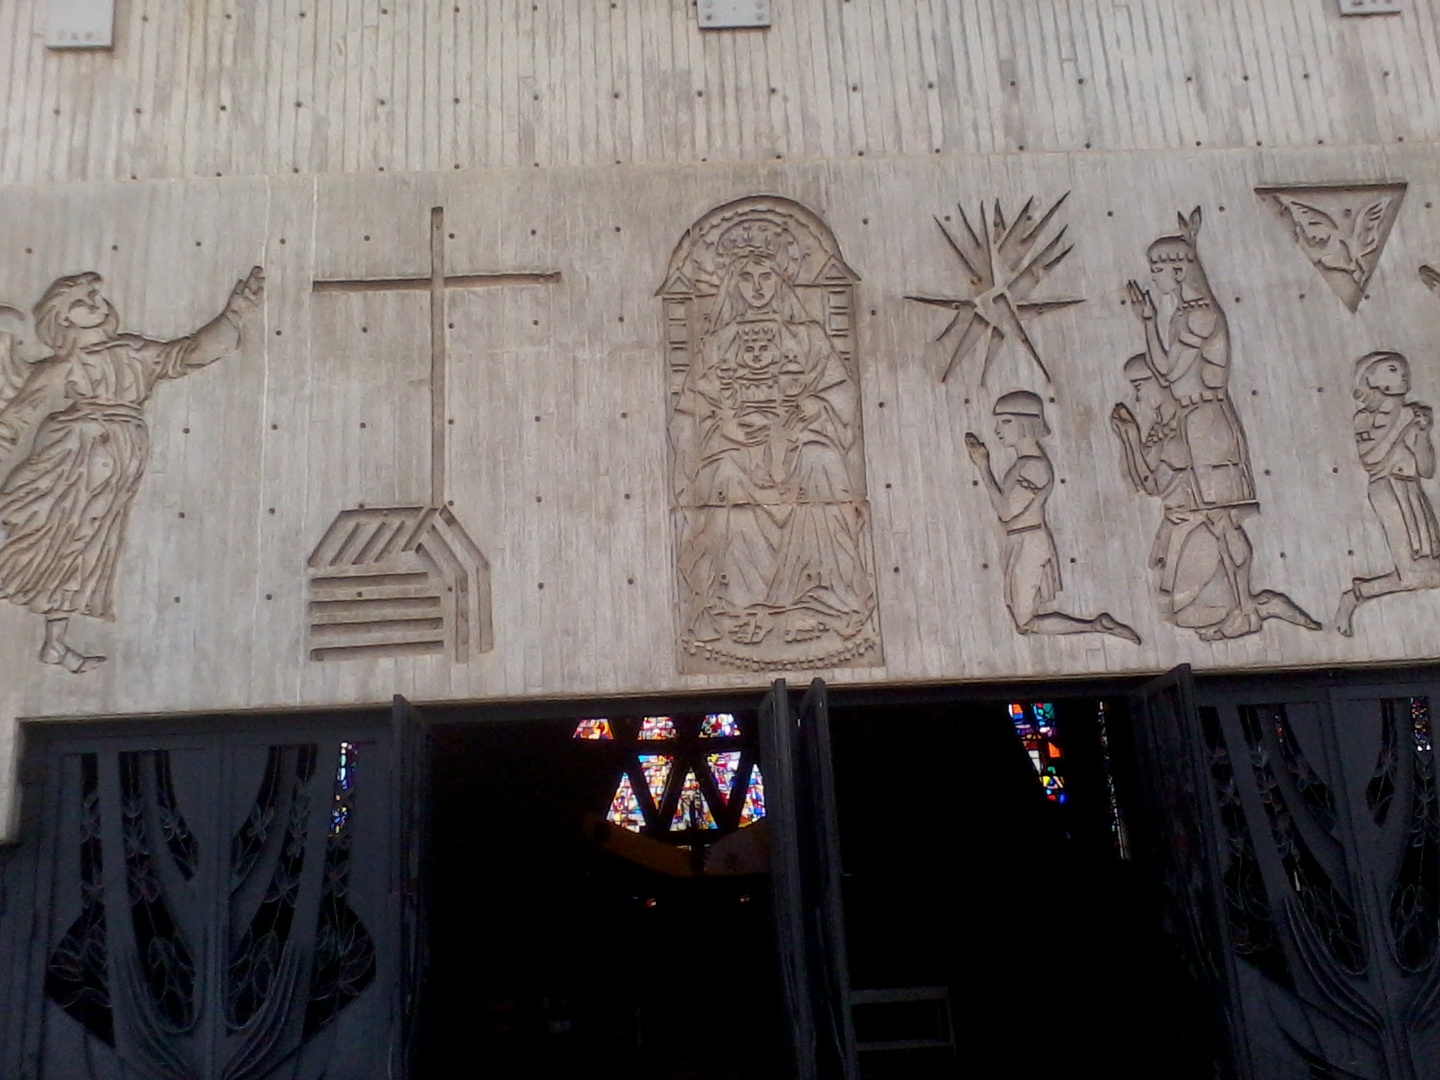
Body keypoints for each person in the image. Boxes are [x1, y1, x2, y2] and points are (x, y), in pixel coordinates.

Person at [0, 266, 264, 672]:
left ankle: (54, 641)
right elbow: (17, 416)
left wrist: (234, 314)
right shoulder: (61, 366)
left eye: (95, 298)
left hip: (119, 460)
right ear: (63, 319)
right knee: (33, 525)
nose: (96, 304)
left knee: (84, 544)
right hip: (71, 454)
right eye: (82, 303)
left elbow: (188, 353)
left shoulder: (134, 351)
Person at [669, 221, 876, 661]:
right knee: (724, 476)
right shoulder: (717, 343)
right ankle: (737, 609)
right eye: (746, 277)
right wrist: (724, 427)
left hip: (798, 445)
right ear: (732, 283)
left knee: (824, 463)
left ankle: (823, 600)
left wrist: (811, 411)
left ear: (781, 279)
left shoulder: (809, 337)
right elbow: (689, 410)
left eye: (766, 277)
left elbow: (840, 393)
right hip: (736, 450)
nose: (757, 287)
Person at [1122, 209, 1318, 640]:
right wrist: (1149, 321)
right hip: (1193, 420)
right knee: (1209, 515)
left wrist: (1151, 323)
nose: (1154, 278)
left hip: (1208, 420)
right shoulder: (1181, 315)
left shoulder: (1201, 315)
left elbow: (1171, 373)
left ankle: (1247, 604)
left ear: (1178, 270)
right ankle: (1238, 604)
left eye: (1159, 270)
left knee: (1222, 518)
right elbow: (1163, 367)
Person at [966, 390, 1139, 643]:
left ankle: (1097, 627)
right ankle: (1097, 626)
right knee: (1021, 620)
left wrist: (982, 465)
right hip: (1019, 541)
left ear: (1027, 422)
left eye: (1006, 421)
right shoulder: (1023, 463)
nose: (998, 429)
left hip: (1029, 542)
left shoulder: (1034, 466)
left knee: (1024, 622)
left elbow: (1005, 511)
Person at [1336, 351, 1440, 634]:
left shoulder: (1411, 414)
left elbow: (1427, 468)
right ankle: (1352, 598)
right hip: (1387, 490)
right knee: (1413, 575)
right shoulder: (1365, 419)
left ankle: (1357, 594)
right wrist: (1403, 424)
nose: (1403, 373)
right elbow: (1371, 459)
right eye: (1393, 369)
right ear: (1371, 379)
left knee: (1432, 574)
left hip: (1412, 489)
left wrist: (1423, 433)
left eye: (1404, 369)